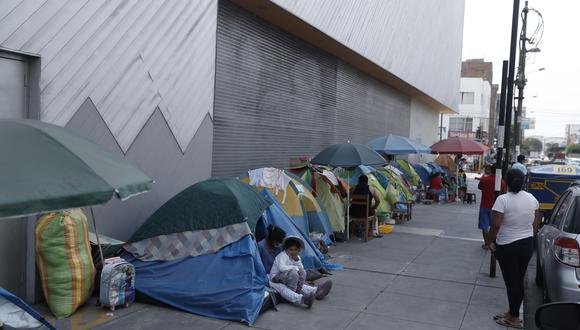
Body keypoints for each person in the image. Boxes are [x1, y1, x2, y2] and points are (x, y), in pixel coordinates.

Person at [485, 169, 540, 329]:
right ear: (523, 182)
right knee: (518, 279)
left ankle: (514, 318)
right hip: (527, 244)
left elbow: (495, 225)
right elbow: (536, 223)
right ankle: (512, 312)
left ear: (506, 182)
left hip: (508, 245)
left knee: (512, 283)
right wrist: (528, 235)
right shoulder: (532, 199)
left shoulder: (502, 200)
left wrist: (489, 242)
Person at [269, 236, 331, 308]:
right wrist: (294, 267)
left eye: (296, 250)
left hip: (289, 280)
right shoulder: (282, 256)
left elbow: (301, 269)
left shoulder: (296, 257)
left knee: (303, 272)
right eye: (291, 250)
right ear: (286, 249)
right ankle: (302, 299)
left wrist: (297, 260)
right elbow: (282, 268)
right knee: (291, 277)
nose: (293, 252)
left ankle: (316, 291)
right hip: (275, 279)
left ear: (299, 250)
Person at [477, 165, 506, 249]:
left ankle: (487, 244)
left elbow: (479, 187)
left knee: (484, 227)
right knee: (495, 226)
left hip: (484, 206)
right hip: (497, 208)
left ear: (490, 170)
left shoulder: (484, 179)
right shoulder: (502, 182)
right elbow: (504, 194)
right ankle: (492, 243)